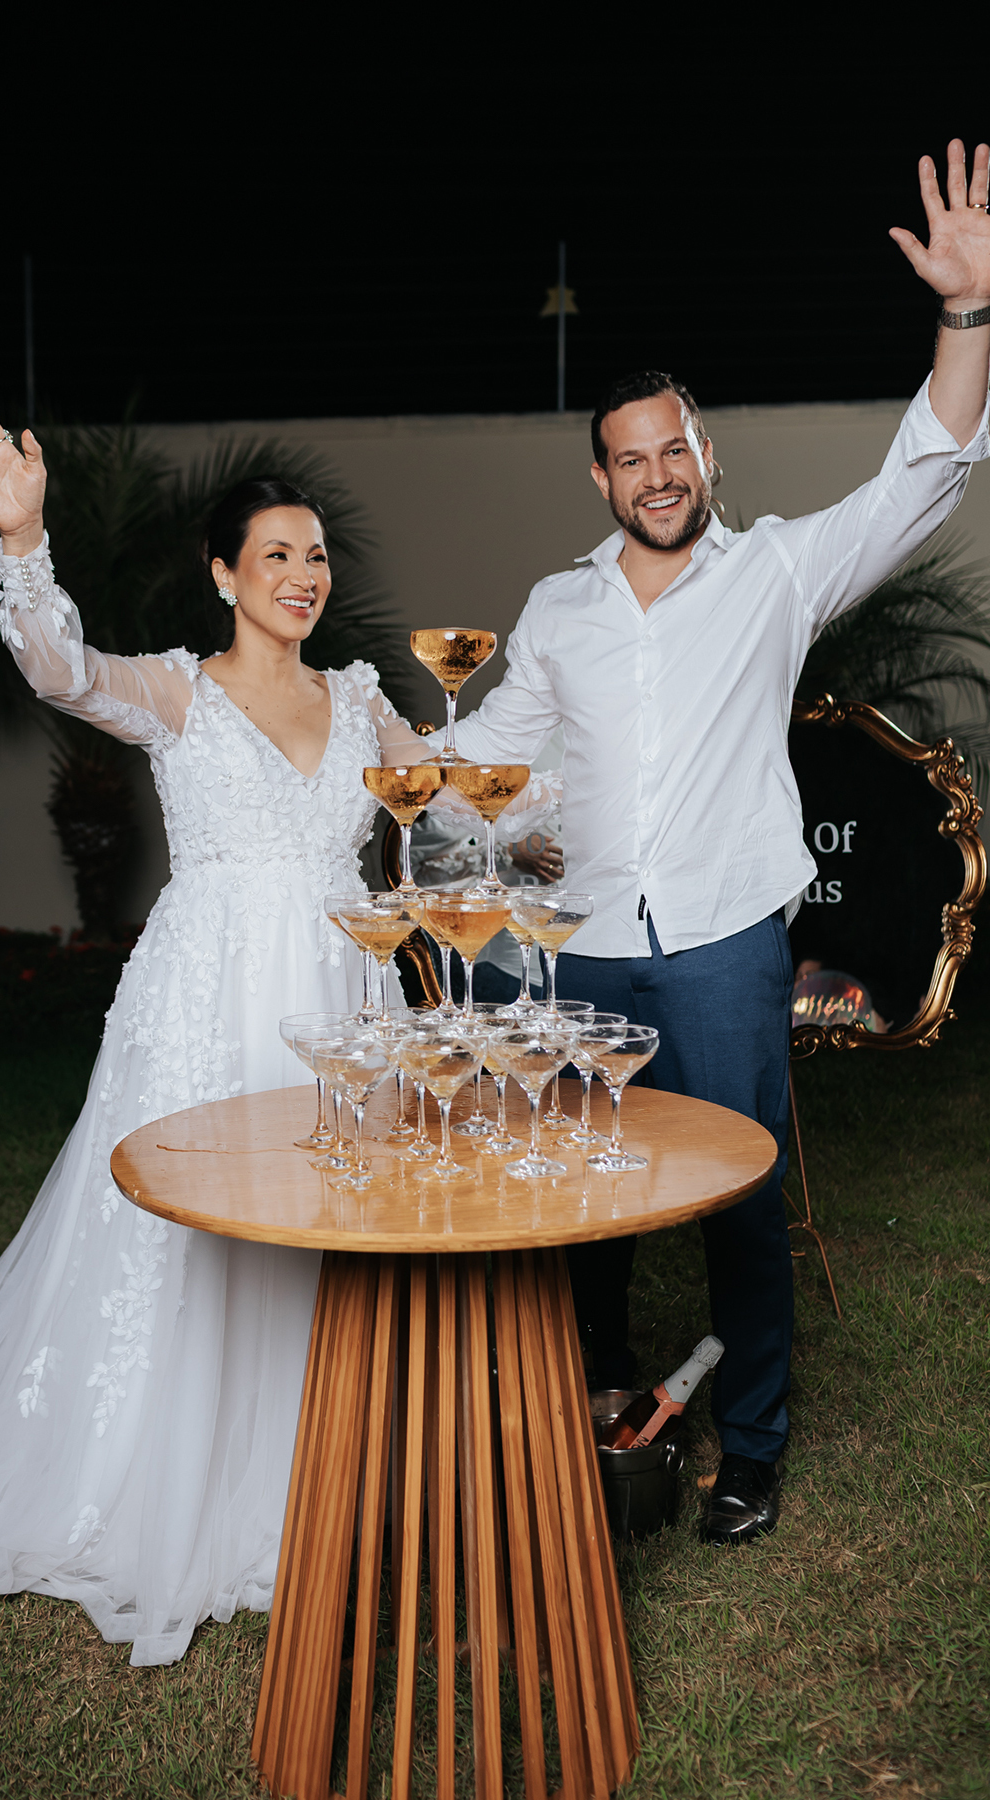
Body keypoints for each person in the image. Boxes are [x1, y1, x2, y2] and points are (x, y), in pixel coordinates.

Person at [0, 395, 422, 1665]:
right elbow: (57, 670)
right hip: (206, 1006)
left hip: (349, 999)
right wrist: (24, 540)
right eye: (276, 555)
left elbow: (449, 796)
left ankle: (326, 1462)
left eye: (315, 554)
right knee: (194, 1233)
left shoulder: (361, 703)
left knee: (342, 1224)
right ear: (223, 574)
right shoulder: (176, 694)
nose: (303, 575)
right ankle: (157, 1469)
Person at [430, 140, 990, 1545]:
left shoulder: (778, 573)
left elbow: (921, 478)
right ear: (604, 479)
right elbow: (489, 762)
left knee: (737, 1198)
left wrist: (968, 315)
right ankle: (607, 1391)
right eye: (630, 458)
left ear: (707, 456)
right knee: (589, 1196)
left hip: (727, 942)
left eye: (675, 449)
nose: (657, 474)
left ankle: (752, 1447)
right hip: (584, 955)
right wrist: (386, 775)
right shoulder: (560, 610)